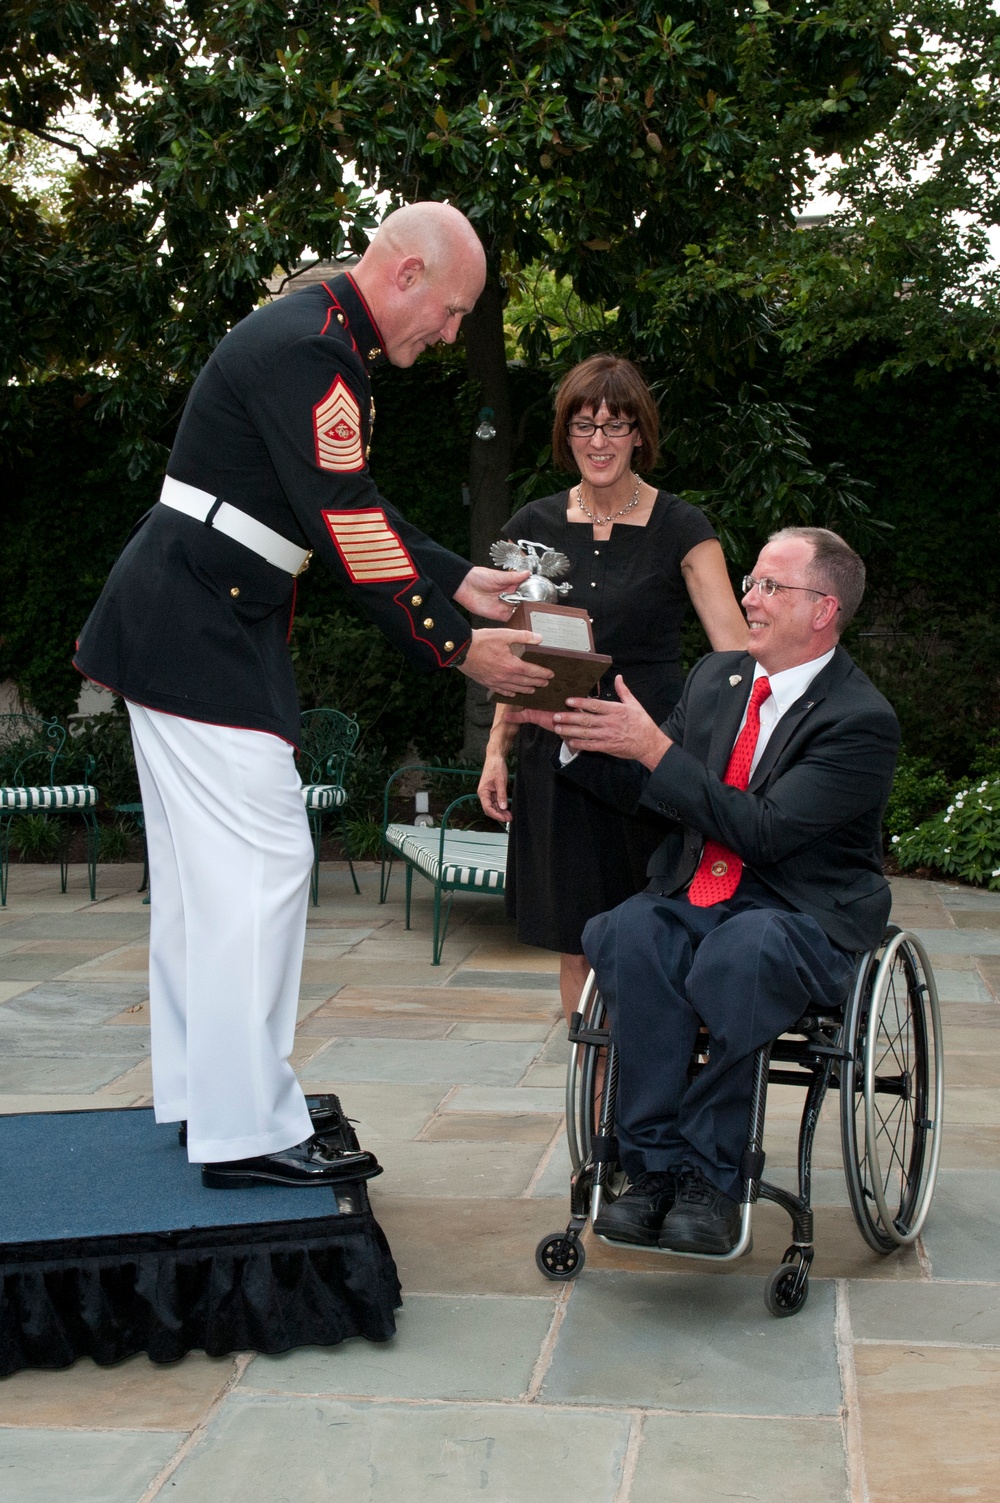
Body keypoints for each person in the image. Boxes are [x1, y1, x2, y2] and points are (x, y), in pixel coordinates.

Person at [73, 201, 552, 1188]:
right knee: (263, 864)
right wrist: (462, 649)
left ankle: (209, 1097)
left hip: (188, 620)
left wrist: (456, 577)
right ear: (408, 273)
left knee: (210, 883)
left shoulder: (313, 335)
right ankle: (244, 1129)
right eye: (454, 310)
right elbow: (342, 524)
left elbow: (342, 499)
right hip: (198, 631)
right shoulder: (311, 350)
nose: (453, 333)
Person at [511, 526, 899, 1254]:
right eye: (750, 582)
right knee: (630, 931)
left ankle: (715, 1177)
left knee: (740, 949)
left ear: (824, 609)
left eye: (768, 586)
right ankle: (652, 1168)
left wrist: (655, 747)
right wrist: (575, 735)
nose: (748, 598)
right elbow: (657, 794)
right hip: (701, 897)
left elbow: (768, 831)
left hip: (800, 915)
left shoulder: (861, 721)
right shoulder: (715, 681)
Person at [477, 355, 746, 1021]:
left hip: (649, 760)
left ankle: (652, 1083)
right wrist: (495, 748)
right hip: (559, 760)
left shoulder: (682, 526)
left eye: (615, 425)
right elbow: (516, 653)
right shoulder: (533, 527)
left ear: (639, 434)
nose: (599, 441)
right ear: (565, 434)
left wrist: (733, 755)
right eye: (584, 425)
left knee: (657, 934)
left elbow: (737, 655)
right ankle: (598, 1106)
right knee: (578, 946)